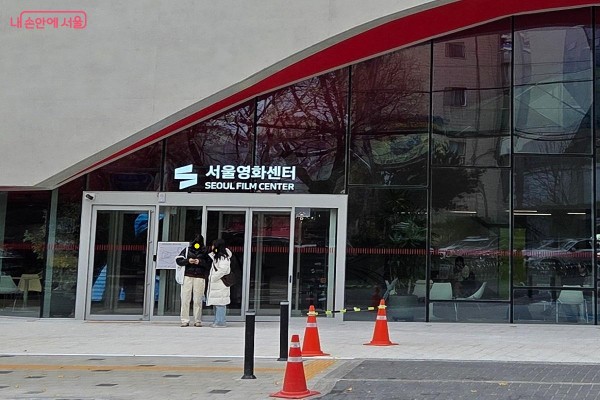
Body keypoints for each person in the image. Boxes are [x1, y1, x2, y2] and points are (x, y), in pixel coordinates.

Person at [175, 234, 209, 327]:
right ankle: (185, 320)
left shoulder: (205, 251)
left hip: (199, 277)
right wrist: (188, 261)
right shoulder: (187, 250)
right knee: (185, 298)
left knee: (198, 299)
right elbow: (178, 261)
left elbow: (209, 264)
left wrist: (200, 262)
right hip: (188, 276)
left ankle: (197, 320)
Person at [206, 238, 232, 328]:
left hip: (220, 283)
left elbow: (222, 270)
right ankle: (217, 320)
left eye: (213, 245)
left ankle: (220, 322)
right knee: (217, 303)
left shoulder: (223, 258)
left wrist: (213, 278)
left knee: (220, 303)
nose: (212, 247)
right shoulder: (217, 256)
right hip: (217, 284)